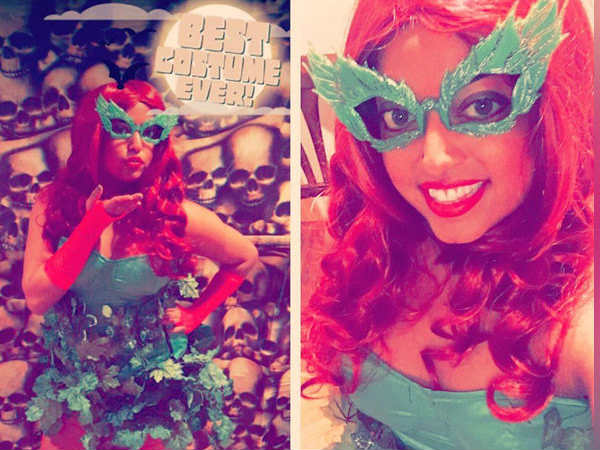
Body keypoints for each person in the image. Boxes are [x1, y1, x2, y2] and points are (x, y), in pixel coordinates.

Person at [302, 0, 593, 449]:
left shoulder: (582, 322)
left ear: (550, 106)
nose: (433, 159)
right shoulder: (373, 240)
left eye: (482, 106)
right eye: (398, 115)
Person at [22, 80, 259, 450]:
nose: (137, 145)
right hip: (77, 388)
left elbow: (244, 257)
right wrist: (91, 225)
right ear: (94, 134)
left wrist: (196, 314)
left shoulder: (173, 215)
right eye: (121, 129)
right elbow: (38, 299)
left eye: (151, 132)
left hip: (154, 390)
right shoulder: (55, 204)